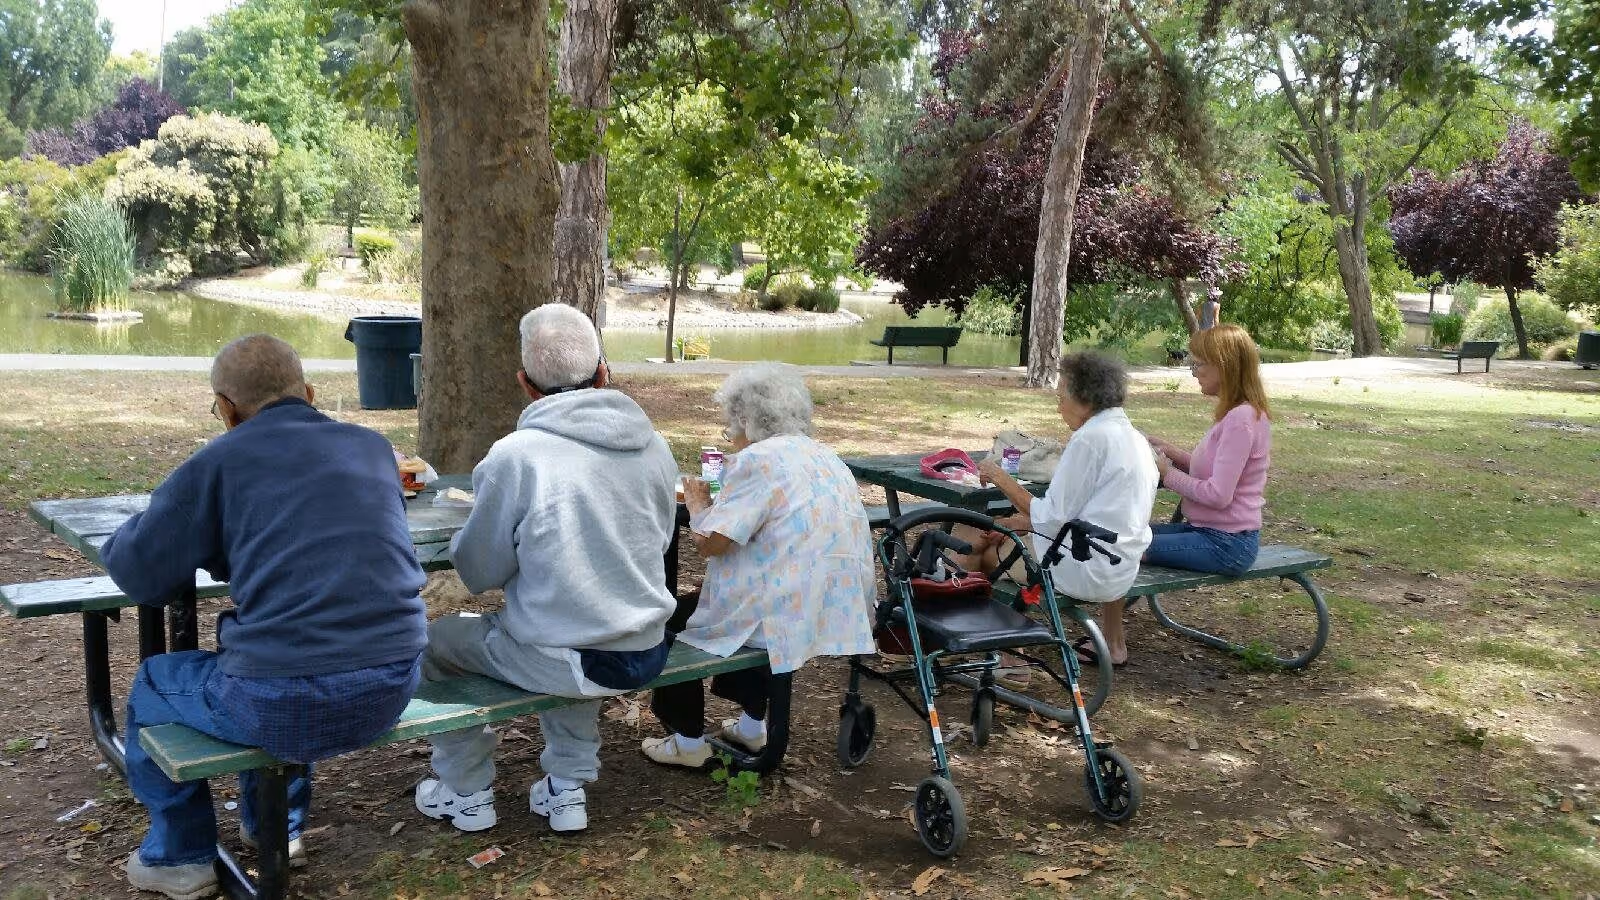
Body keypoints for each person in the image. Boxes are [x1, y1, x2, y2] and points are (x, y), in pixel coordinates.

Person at [105, 335, 428, 900]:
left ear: (226, 410)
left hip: (282, 697)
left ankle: (180, 856)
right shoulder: (373, 448)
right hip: (394, 681)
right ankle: (281, 829)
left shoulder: (217, 462)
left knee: (158, 681)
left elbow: (139, 572)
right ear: (307, 393)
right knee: (281, 651)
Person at [413, 303, 678, 834]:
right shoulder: (654, 445)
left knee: (433, 644)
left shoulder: (516, 457)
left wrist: (481, 525)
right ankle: (567, 788)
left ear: (525, 384)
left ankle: (466, 791)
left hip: (575, 654)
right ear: (603, 372)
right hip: (646, 647)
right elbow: (661, 537)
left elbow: (479, 571)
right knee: (569, 616)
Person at [641, 364, 876, 768]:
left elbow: (711, 543)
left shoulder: (757, 460)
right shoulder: (825, 455)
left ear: (746, 420)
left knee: (668, 619)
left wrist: (697, 505)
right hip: (831, 606)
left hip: (780, 613)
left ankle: (687, 739)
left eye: (729, 426)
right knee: (736, 601)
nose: (730, 437)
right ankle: (751, 725)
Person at [960, 352, 1158, 669]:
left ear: (1083, 398)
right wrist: (1023, 521)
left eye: (1061, 396)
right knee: (1005, 531)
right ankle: (1114, 642)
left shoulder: (1089, 440)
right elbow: (1091, 513)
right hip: (1122, 565)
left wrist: (1000, 477)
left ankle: (1010, 659)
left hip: (1084, 567)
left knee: (978, 545)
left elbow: (1053, 516)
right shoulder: (1133, 437)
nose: (1058, 405)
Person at [1145, 323, 1272, 579]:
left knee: (1121, 546)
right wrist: (1169, 450)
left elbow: (1218, 495)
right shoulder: (1240, 414)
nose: (1194, 373)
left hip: (1226, 544)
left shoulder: (1241, 419)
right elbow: (1218, 471)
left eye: (1199, 364)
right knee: (1125, 537)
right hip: (1212, 533)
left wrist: (1166, 473)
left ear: (1224, 366)